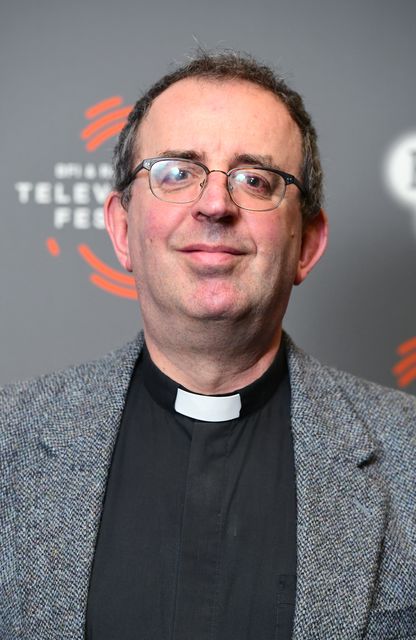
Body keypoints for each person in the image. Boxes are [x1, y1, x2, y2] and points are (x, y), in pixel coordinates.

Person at [1, 51, 415, 640]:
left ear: (307, 243)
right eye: (176, 172)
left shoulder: (409, 457)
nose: (215, 205)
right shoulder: (8, 441)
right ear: (122, 230)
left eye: (256, 179)